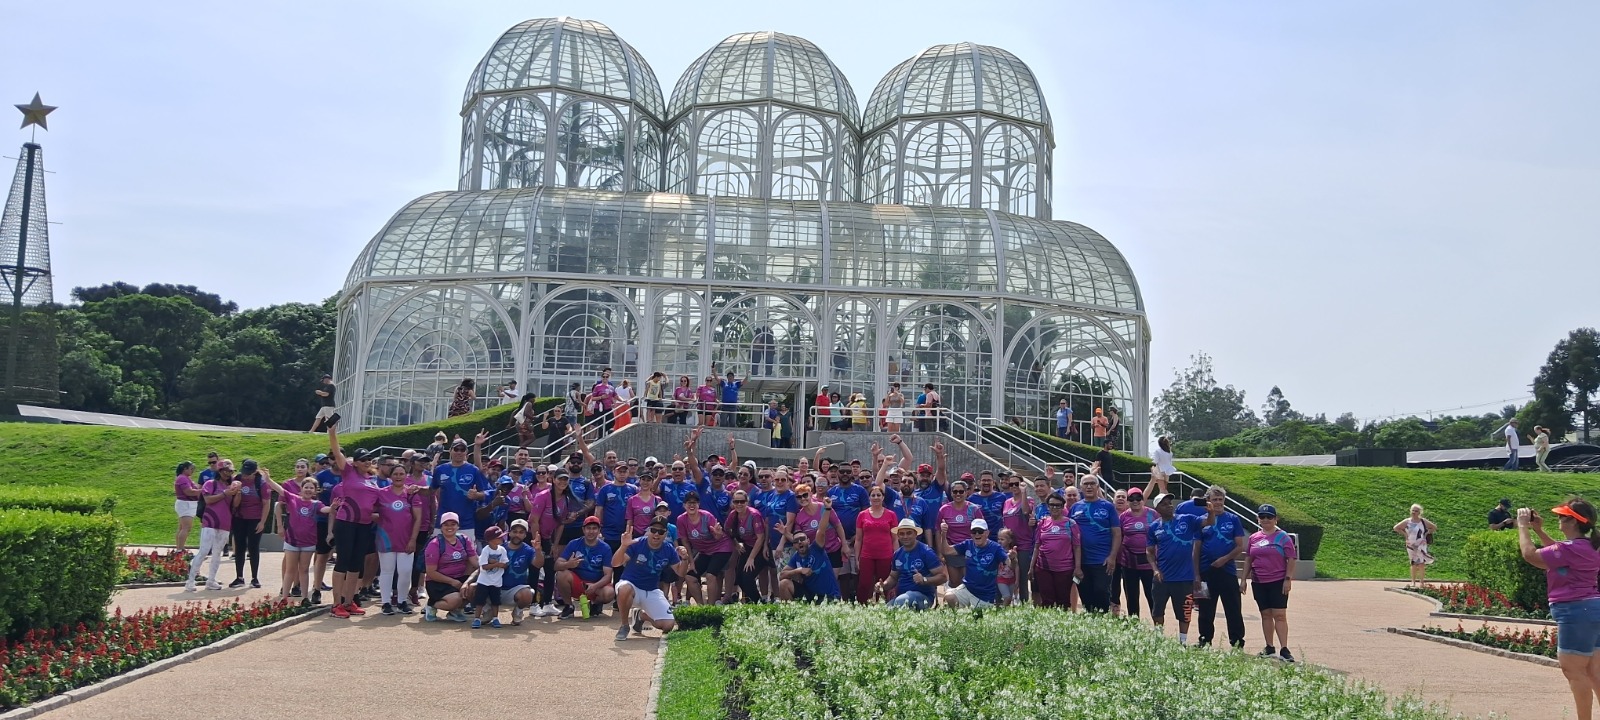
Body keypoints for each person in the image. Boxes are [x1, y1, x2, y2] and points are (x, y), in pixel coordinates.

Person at [1516, 499, 1600, 720]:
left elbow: (1530, 555)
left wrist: (1523, 526)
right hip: (1591, 610)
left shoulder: (1569, 549)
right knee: (1593, 671)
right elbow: (1558, 555)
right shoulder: (1588, 546)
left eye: (1562, 516)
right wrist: (1539, 530)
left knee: (1574, 671)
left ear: (1573, 521)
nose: (1558, 520)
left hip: (1576, 613)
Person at [325, 426, 383, 618]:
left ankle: (349, 602)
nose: (367, 462)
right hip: (346, 522)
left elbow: (378, 504)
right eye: (363, 459)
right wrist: (332, 433)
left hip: (364, 525)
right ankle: (336, 604)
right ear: (355, 462)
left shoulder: (372, 480)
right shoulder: (348, 472)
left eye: (369, 459)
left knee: (356, 564)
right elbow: (336, 450)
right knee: (343, 561)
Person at [1242, 504, 1298, 662]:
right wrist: (1244, 580)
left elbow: (1291, 559)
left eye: (1269, 517)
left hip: (1277, 581)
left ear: (1276, 519)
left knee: (1279, 615)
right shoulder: (1254, 538)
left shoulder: (1283, 537)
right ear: (1258, 519)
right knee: (1265, 614)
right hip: (1259, 581)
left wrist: (1288, 579)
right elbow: (1249, 559)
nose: (1265, 520)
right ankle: (1269, 646)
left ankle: (1285, 649)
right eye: (1262, 517)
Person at [613, 517, 681, 641]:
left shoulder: (669, 549)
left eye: (660, 531)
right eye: (654, 530)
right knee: (624, 588)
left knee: (668, 625)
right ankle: (624, 625)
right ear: (648, 530)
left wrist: (685, 559)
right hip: (631, 585)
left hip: (651, 590)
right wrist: (623, 546)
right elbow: (615, 563)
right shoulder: (637, 543)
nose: (656, 534)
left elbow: (680, 572)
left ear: (665, 534)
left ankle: (641, 616)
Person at [1147, 493, 1202, 645]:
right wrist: (1155, 569)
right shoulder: (1153, 527)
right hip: (1162, 578)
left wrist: (1210, 511)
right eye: (1164, 504)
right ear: (1157, 508)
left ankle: (1183, 642)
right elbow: (1149, 551)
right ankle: (1158, 638)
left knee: (1184, 612)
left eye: (1170, 502)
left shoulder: (1187, 519)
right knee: (1157, 611)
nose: (1169, 505)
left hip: (1184, 578)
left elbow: (1208, 521)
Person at [1196, 485, 1246, 649]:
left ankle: (1237, 641)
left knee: (1233, 608)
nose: (1217, 502)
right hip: (1206, 570)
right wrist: (1196, 574)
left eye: (1220, 499)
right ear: (1208, 501)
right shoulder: (1202, 520)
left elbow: (1239, 546)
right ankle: (1205, 640)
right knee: (1206, 610)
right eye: (1214, 499)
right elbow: (1196, 548)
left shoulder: (1233, 519)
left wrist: (1224, 559)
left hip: (1227, 570)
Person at [374, 464, 424, 615]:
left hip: (406, 539)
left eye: (401, 474)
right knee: (387, 571)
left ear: (406, 475)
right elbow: (369, 511)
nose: (398, 476)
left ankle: (402, 601)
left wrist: (413, 539)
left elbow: (418, 518)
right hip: (385, 539)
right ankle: (386, 603)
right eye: (395, 474)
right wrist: (382, 521)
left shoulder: (411, 493)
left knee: (405, 571)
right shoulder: (381, 493)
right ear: (390, 476)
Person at [185, 460, 241, 592]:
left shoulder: (231, 487)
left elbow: (235, 505)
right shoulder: (210, 484)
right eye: (226, 471)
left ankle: (211, 580)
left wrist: (237, 493)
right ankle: (190, 580)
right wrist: (224, 494)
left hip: (225, 522)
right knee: (204, 550)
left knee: (218, 553)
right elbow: (208, 499)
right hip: (210, 521)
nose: (228, 474)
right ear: (219, 471)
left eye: (230, 471)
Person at [1070, 475, 1122, 613]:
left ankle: (1103, 621)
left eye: (1092, 483)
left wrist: (1112, 557)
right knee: (1085, 595)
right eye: (1085, 484)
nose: (1089, 486)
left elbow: (1117, 533)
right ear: (1080, 488)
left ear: (1098, 487)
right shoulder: (1075, 508)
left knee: (1101, 592)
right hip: (1081, 562)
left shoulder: (1108, 507)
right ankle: (1090, 624)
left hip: (1102, 561)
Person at [273, 476, 323, 606]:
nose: (308, 490)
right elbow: (279, 489)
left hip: (309, 542)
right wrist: (267, 479)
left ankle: (305, 597)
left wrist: (335, 507)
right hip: (292, 541)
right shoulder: (293, 498)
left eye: (311, 488)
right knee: (290, 569)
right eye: (306, 487)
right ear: (301, 489)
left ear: (315, 491)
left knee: (304, 570)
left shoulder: (317, 504)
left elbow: (326, 510)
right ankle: (284, 596)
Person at [939, 518, 1008, 609]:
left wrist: (1013, 558)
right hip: (967, 589)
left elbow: (1009, 563)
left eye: (980, 531)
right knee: (949, 597)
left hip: (985, 595)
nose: (977, 534)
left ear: (987, 533)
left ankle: (965, 614)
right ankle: (960, 616)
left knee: (977, 617)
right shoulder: (967, 544)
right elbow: (946, 551)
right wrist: (943, 534)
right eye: (974, 531)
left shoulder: (996, 548)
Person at [556, 516, 616, 618]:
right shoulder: (574, 544)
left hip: (596, 586)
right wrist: (568, 564)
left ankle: (594, 604)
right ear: (583, 529)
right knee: (561, 574)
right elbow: (557, 565)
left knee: (609, 593)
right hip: (578, 583)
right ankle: (569, 606)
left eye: (594, 528)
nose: (591, 531)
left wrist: (595, 586)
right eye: (588, 528)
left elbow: (608, 575)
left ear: (599, 530)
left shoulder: (605, 548)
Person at [880, 519, 946, 609]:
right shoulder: (897, 554)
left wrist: (924, 580)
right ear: (898, 536)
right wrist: (883, 585)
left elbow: (943, 577)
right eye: (902, 534)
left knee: (901, 601)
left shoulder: (926, 552)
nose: (905, 536)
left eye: (909, 533)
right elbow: (893, 577)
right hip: (901, 597)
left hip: (923, 597)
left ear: (916, 534)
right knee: (884, 610)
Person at [423, 512, 477, 622]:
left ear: (458, 526)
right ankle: (432, 605)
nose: (450, 527)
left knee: (475, 590)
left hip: (459, 578)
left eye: (453, 524)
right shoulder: (435, 544)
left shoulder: (464, 540)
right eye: (446, 524)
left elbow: (475, 562)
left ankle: (454, 611)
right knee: (456, 599)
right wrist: (452, 582)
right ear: (441, 527)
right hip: (437, 582)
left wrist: (490, 565)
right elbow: (431, 572)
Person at [1032, 493, 1082, 609]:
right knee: (1047, 601)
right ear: (1048, 507)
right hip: (1043, 567)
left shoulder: (1071, 523)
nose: (1054, 508)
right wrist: (1031, 567)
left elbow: (1077, 546)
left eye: (1058, 505)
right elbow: (1037, 545)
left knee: (1063, 601)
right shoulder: (1042, 523)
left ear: (1063, 507)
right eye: (1052, 505)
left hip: (1064, 568)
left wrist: (1078, 567)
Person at [228, 459, 271, 589]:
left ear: (254, 472)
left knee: (253, 548)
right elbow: (232, 500)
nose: (245, 476)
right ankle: (239, 577)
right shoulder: (237, 479)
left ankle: (254, 577)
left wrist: (262, 522)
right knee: (239, 547)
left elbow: (266, 504)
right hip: (239, 517)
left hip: (255, 518)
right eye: (244, 472)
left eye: (248, 473)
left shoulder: (261, 483)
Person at [852, 486, 899, 603]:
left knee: (885, 584)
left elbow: (895, 539)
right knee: (864, 583)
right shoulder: (862, 515)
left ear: (883, 497)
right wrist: (857, 559)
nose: (876, 497)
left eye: (879, 495)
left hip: (886, 556)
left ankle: (886, 605)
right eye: (873, 495)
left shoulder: (891, 515)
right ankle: (861, 606)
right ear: (869, 498)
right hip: (866, 555)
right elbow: (858, 539)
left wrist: (896, 557)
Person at [1119, 487, 1158, 621]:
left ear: (1143, 499)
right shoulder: (1123, 516)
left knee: (1152, 595)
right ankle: (1134, 625)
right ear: (1128, 501)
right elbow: (1119, 537)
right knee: (1132, 596)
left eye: (1138, 498)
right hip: (1129, 563)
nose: (1135, 501)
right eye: (1131, 499)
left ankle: (1158, 627)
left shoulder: (1153, 514)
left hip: (1149, 563)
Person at [1001, 476, 1038, 605]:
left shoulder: (1028, 499)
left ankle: (1023, 603)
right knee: (1007, 574)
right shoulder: (1006, 502)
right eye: (1011, 484)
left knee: (1021, 577)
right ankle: (1007, 602)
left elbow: (1026, 510)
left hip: (1024, 545)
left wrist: (1023, 492)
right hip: (1009, 545)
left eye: (1016, 483)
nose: (1014, 486)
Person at [779, 532, 842, 601]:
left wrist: (825, 520)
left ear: (808, 541)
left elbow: (821, 531)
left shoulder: (816, 548)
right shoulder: (796, 556)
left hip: (829, 596)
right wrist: (799, 570)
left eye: (802, 539)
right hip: (810, 595)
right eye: (796, 541)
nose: (799, 542)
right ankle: (792, 610)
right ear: (794, 545)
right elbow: (781, 575)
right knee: (783, 583)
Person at [472, 526, 509, 628]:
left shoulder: (502, 550)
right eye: (499, 537)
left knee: (495, 602)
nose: (502, 539)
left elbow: (506, 564)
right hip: (484, 581)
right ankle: (477, 618)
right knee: (480, 601)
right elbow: (484, 566)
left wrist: (501, 564)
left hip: (497, 581)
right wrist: (497, 564)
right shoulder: (485, 550)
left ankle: (495, 618)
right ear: (491, 540)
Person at [1395, 504, 1436, 587]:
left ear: (1419, 512)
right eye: (1412, 510)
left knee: (1421, 563)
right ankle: (1413, 581)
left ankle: (1421, 582)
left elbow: (1434, 527)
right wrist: (1405, 535)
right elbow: (1396, 528)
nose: (1414, 512)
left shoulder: (1423, 521)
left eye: (1416, 511)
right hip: (1411, 544)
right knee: (1413, 563)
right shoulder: (1407, 521)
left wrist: (1426, 533)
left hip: (1421, 544)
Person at [174, 462, 201, 553]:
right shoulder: (182, 478)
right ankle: (180, 549)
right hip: (186, 505)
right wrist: (202, 491)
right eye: (191, 469)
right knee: (186, 527)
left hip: (187, 504)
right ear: (185, 469)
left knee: (182, 527)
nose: (192, 471)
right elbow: (189, 492)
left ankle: (179, 547)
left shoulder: (185, 478)